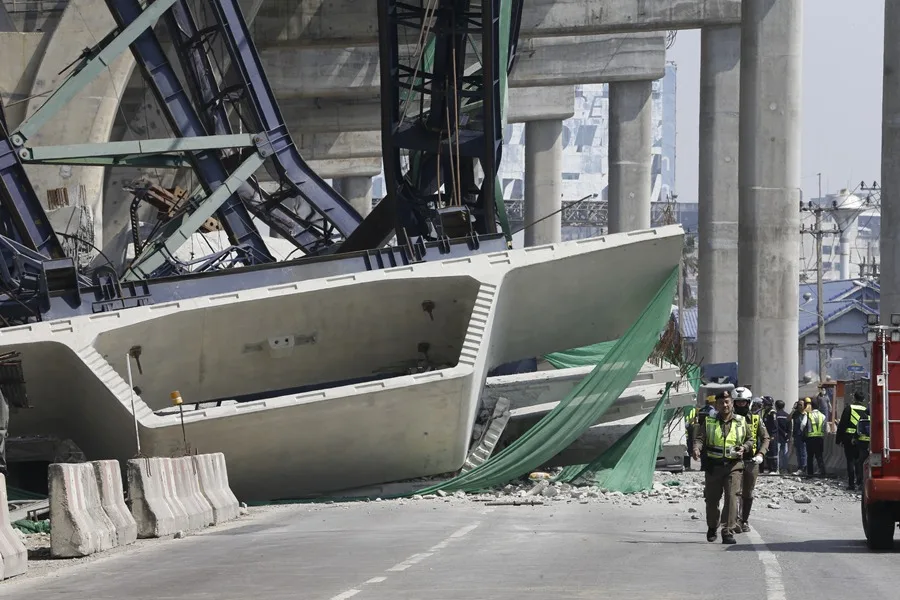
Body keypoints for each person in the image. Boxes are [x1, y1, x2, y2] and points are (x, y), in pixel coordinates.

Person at [692, 390, 753, 545]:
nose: (725, 405)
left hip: (734, 466)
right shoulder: (709, 421)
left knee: (732, 498)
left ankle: (727, 531)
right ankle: (712, 526)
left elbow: (750, 439)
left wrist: (744, 448)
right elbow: (700, 438)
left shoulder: (741, 421)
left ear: (731, 403)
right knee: (712, 500)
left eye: (727, 402)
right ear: (716, 405)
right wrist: (697, 448)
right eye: (721, 403)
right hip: (714, 466)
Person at [732, 387, 769, 533]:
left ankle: (744, 520)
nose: (741, 405)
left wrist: (761, 454)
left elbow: (765, 438)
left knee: (748, 493)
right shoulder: (727, 419)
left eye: (744, 402)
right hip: (733, 460)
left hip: (752, 461)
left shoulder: (756, 419)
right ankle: (733, 520)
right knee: (734, 492)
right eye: (738, 402)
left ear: (749, 402)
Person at [836, 391, 869, 490]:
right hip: (862, 439)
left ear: (854, 398)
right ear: (863, 400)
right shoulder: (866, 410)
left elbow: (842, 424)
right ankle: (859, 482)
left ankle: (851, 484)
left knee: (850, 461)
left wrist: (839, 439)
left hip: (849, 438)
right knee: (860, 461)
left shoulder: (849, 408)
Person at [803, 397, 827, 477]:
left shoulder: (808, 415)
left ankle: (810, 474)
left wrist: (804, 431)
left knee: (810, 457)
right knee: (819, 456)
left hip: (810, 438)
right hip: (820, 438)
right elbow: (825, 428)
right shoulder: (823, 416)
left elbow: (802, 425)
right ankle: (822, 472)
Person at [695, 395, 718, 471]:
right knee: (708, 450)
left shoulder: (702, 409)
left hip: (701, 430)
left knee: (703, 450)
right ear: (714, 402)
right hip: (710, 431)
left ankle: (703, 466)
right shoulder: (712, 411)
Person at [773, 400, 792, 473]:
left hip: (777, 437)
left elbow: (775, 426)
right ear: (784, 407)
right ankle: (784, 468)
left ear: (776, 406)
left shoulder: (775, 415)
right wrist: (788, 436)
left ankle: (777, 469)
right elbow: (790, 427)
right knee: (784, 453)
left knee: (777, 454)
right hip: (785, 437)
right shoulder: (787, 415)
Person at [761, 396, 778, 473]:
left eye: (764, 403)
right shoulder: (766, 412)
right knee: (768, 451)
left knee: (773, 452)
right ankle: (769, 468)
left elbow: (774, 425)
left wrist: (772, 436)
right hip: (767, 435)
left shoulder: (772, 412)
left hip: (772, 435)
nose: (763, 404)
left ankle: (774, 469)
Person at [791, 399, 808, 474]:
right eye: (798, 404)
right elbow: (788, 419)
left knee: (803, 452)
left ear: (804, 406)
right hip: (796, 436)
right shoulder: (795, 413)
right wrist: (793, 409)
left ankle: (803, 468)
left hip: (803, 436)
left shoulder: (806, 415)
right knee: (798, 453)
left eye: (801, 405)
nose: (799, 406)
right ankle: (800, 467)